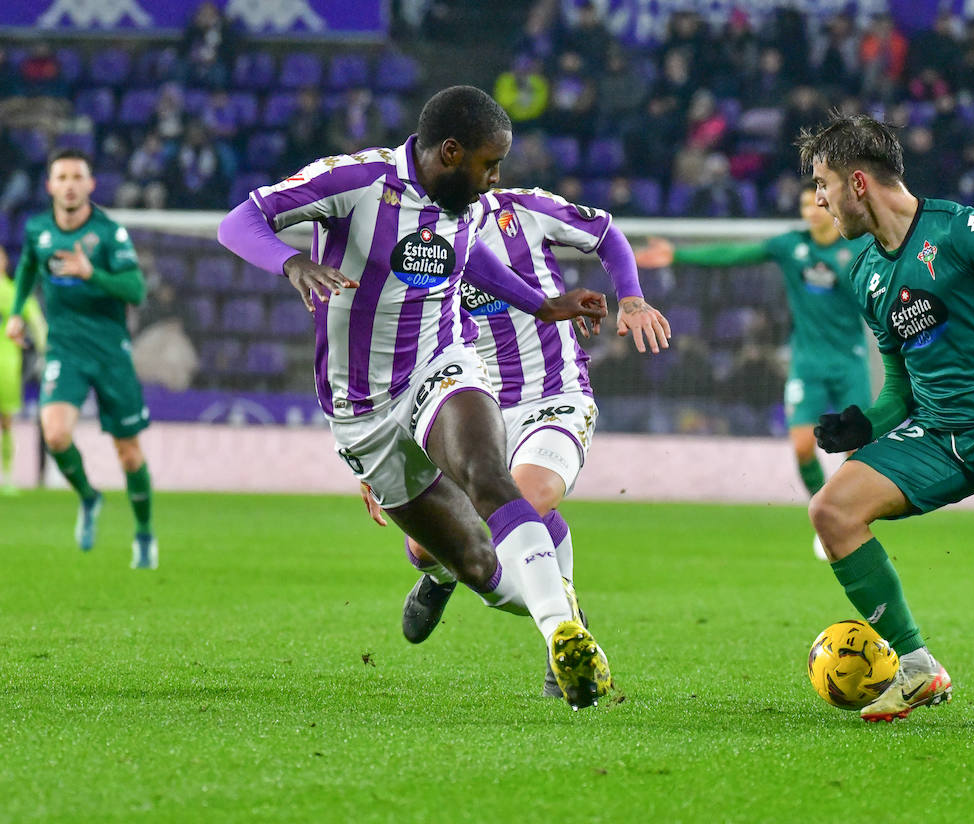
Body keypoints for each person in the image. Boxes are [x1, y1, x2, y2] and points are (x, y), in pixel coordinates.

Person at [215, 86, 614, 709]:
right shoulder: (355, 182)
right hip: (361, 412)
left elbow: (466, 256)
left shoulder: (466, 202)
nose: (496, 180)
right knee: (482, 570)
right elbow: (238, 221)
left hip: (441, 364)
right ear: (449, 152)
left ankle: (561, 633)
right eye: (489, 165)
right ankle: (556, 604)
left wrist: (541, 303)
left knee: (488, 474)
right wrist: (292, 264)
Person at [797, 114, 974, 729]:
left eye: (821, 184)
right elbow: (901, 385)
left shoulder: (957, 230)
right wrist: (865, 423)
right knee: (830, 512)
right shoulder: (864, 272)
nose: (818, 200)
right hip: (935, 430)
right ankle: (918, 666)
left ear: (857, 182)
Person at [359, 183, 670, 698]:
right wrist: (380, 455)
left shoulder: (523, 208)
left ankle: (561, 638)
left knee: (523, 501)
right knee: (424, 544)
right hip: (467, 407)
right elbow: (393, 342)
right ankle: (441, 578)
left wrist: (631, 297)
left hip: (555, 395)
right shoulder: (419, 237)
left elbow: (605, 231)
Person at [636, 182, 872, 559]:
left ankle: (849, 516)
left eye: (817, 205)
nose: (811, 211)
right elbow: (735, 253)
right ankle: (825, 513)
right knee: (801, 446)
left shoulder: (858, 248)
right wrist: (677, 256)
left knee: (855, 452)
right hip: (808, 361)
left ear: (832, 209)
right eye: (804, 205)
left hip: (850, 361)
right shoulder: (790, 246)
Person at [5, 149, 158, 567]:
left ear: (90, 185)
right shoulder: (38, 229)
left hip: (110, 352)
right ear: (50, 185)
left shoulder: (110, 233)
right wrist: (17, 313)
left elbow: (135, 291)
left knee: (128, 453)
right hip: (65, 349)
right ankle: (90, 497)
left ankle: (143, 533)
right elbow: (28, 270)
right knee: (54, 434)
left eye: (77, 177)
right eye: (62, 177)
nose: (70, 184)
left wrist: (93, 274)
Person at [0, 247, 48, 494]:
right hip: (8, 365)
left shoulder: (15, 292)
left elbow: (38, 323)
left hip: (7, 364)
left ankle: (7, 476)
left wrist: (45, 351)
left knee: (6, 422)